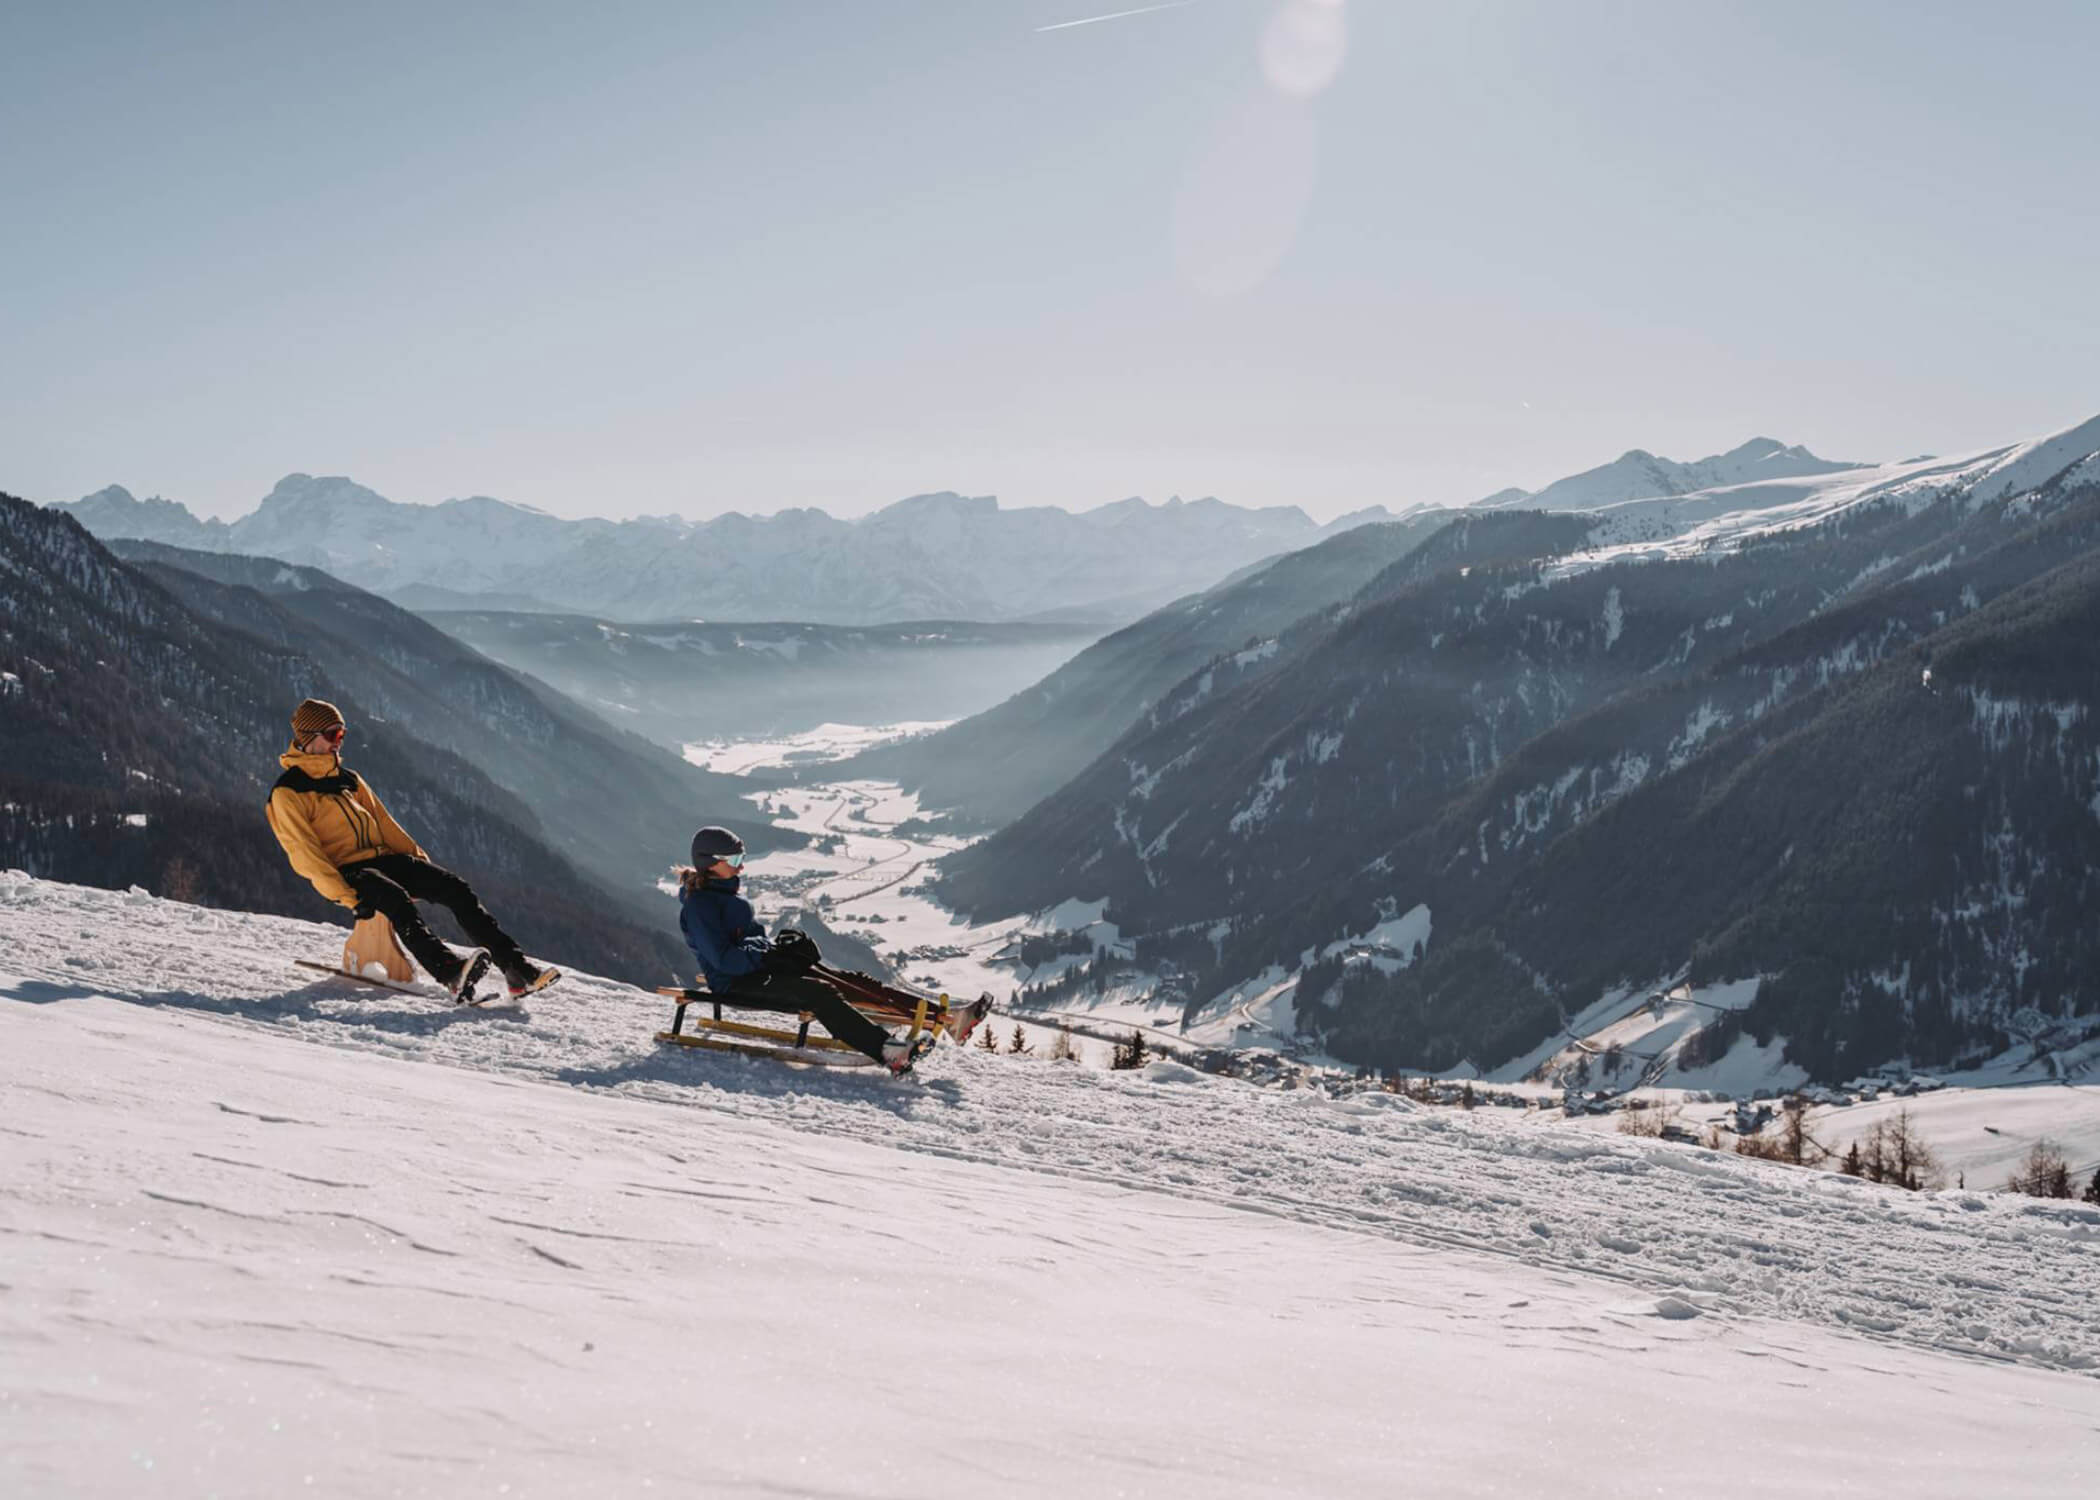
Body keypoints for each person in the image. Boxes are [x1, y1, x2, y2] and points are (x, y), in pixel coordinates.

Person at [264, 697, 558, 1002]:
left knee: (454, 888)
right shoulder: (289, 792)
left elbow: (384, 823)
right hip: (348, 872)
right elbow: (304, 853)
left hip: (382, 859)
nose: (339, 742)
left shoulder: (348, 780)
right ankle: (450, 972)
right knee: (396, 900)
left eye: (342, 734)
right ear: (309, 737)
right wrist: (345, 895)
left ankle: (516, 969)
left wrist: (419, 865)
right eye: (332, 735)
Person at [677, 825, 936, 1074]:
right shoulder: (700, 907)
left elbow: (753, 939)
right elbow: (723, 959)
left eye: (742, 857)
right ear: (710, 862)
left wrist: (780, 948)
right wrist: (765, 956)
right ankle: (889, 1053)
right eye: (734, 859)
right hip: (734, 982)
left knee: (835, 977)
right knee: (817, 992)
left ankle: (924, 1018)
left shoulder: (729, 896)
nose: (742, 865)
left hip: (756, 971)